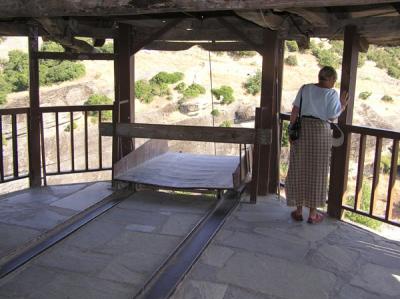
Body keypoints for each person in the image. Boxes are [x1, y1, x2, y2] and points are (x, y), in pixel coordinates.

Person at [285, 66, 349, 224]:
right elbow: (333, 115)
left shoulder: (305, 88)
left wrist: (291, 131)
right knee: (317, 171)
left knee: (298, 167)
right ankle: (313, 214)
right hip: (320, 131)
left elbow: (295, 111)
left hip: (302, 129)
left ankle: (299, 211)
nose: (334, 83)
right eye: (334, 80)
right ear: (331, 79)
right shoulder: (331, 93)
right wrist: (342, 105)